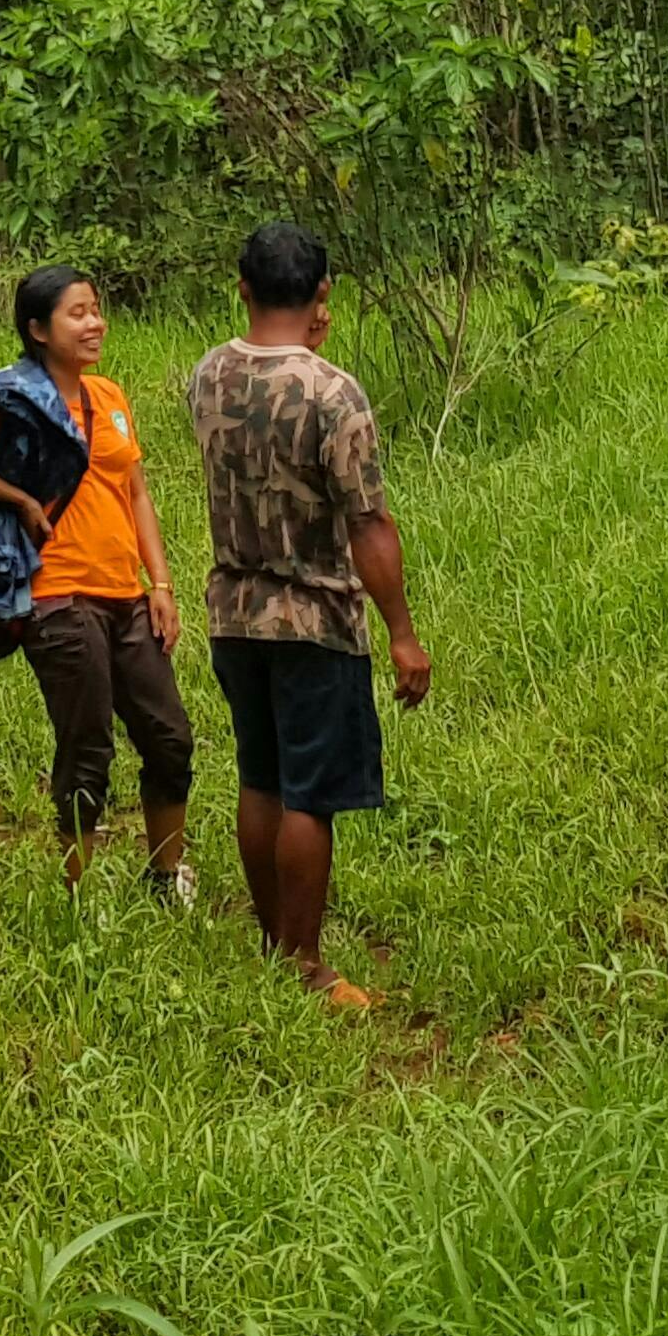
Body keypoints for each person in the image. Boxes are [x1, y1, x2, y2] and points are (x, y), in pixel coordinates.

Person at [184, 221, 430, 1006]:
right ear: (323, 293)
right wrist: (400, 630)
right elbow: (367, 521)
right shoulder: (333, 391)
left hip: (232, 608)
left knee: (259, 777)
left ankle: (269, 939)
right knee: (309, 794)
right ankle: (306, 960)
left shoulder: (208, 374)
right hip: (314, 616)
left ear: (242, 286)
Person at [0, 265, 193, 900]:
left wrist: (162, 582)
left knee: (169, 737)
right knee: (87, 747)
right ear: (38, 329)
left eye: (96, 310)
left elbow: (136, 491)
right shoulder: (14, 400)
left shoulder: (111, 397)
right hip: (56, 596)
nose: (94, 323)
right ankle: (75, 895)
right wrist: (18, 499)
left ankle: (163, 876)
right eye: (77, 313)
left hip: (127, 597)